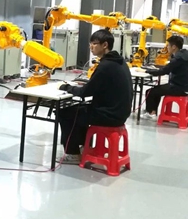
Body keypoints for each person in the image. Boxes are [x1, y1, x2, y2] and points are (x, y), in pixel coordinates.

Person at [57, 29, 133, 163]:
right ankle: (84, 146)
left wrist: (66, 87)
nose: (91, 47)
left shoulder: (105, 65)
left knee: (64, 112)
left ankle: (72, 153)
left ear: (105, 45)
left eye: (94, 44)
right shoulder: (119, 61)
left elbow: (85, 92)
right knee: (78, 110)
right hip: (120, 113)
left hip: (109, 115)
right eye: (90, 44)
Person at [141, 36, 188, 121]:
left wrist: (146, 71)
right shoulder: (185, 54)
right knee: (157, 89)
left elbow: (164, 71)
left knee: (151, 91)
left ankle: (150, 113)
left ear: (174, 47)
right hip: (185, 86)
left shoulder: (178, 58)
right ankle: (152, 111)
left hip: (179, 88)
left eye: (168, 46)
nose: (167, 48)